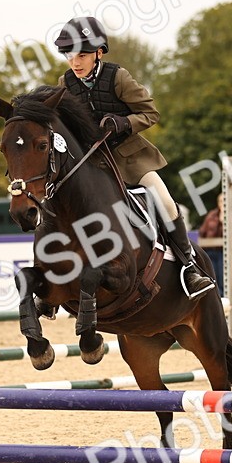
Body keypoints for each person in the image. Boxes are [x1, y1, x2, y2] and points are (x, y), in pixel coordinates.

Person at [54, 16, 214, 299]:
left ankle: (189, 267)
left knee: (164, 201)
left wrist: (124, 123)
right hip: (93, 164)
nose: (75, 62)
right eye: (70, 55)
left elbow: (151, 113)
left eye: (82, 55)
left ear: (99, 52)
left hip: (130, 158)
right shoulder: (65, 84)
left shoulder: (118, 77)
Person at [197, 194, 228, 296]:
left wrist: (223, 220)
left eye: (224, 201)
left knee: (222, 277)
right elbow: (203, 231)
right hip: (209, 250)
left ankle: (222, 298)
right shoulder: (212, 215)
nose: (222, 203)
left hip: (222, 251)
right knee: (211, 276)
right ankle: (216, 297)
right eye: (220, 201)